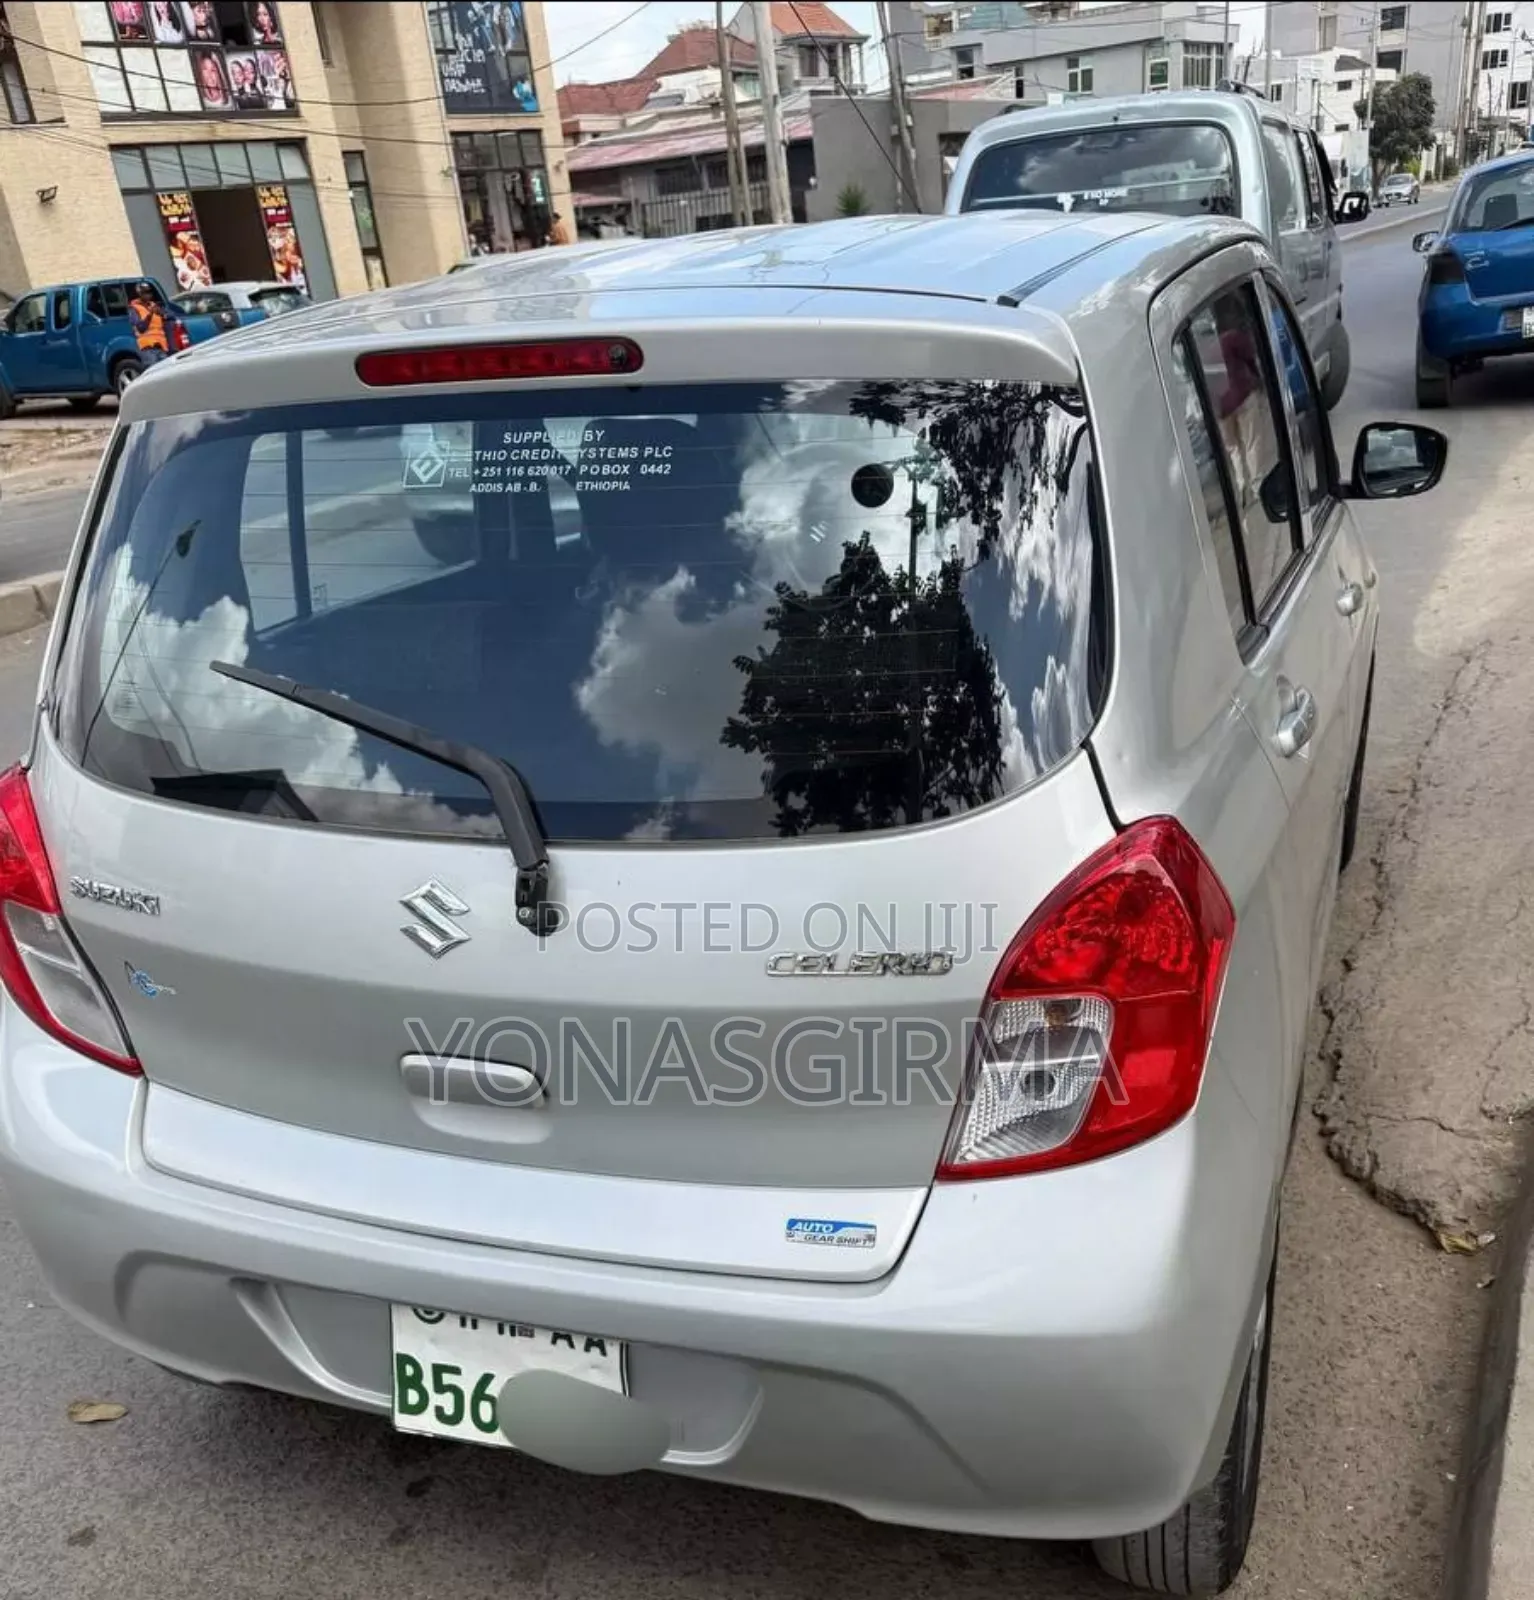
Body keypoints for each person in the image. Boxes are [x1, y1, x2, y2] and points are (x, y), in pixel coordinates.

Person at [128, 283, 170, 367]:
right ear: (139, 294)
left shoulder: (154, 305)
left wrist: (162, 314)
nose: (148, 295)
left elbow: (170, 316)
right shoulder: (134, 309)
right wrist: (150, 315)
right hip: (148, 347)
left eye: (149, 292)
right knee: (153, 374)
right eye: (145, 293)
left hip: (161, 346)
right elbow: (141, 328)